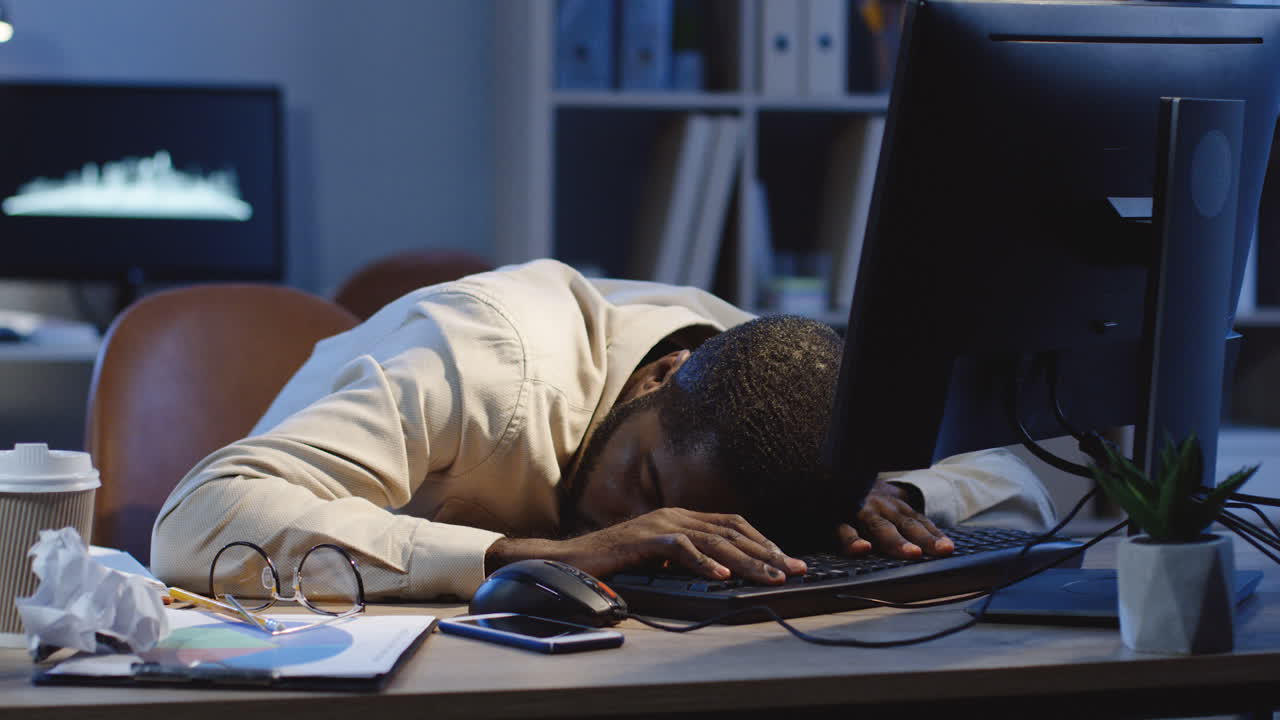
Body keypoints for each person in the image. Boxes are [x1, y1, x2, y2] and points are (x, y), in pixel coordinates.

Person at [151, 259, 1055, 599]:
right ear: (660, 379)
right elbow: (194, 519)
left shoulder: (767, 385)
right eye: (652, 490)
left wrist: (887, 497)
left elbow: (1046, 476)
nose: (662, 536)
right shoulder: (475, 358)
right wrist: (523, 553)